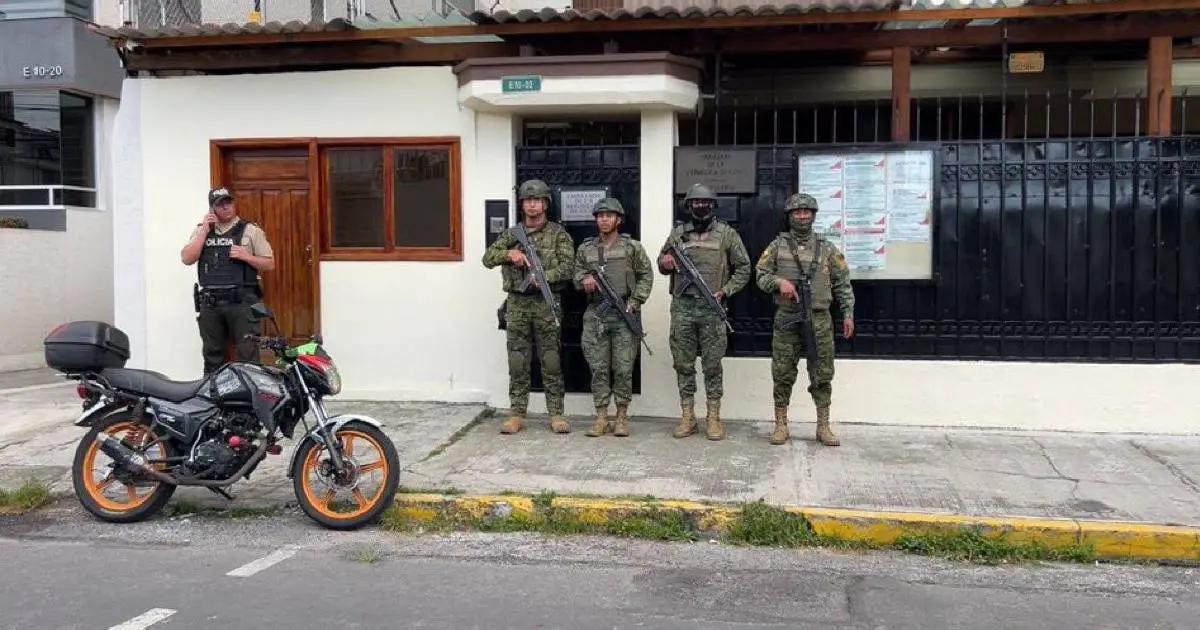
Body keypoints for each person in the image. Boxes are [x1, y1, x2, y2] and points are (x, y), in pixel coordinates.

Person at [754, 192, 855, 446]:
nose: (801, 216)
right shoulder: (777, 246)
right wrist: (779, 283)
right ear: (789, 216)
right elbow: (760, 275)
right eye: (796, 212)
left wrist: (848, 313)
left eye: (806, 212)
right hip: (787, 318)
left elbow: (843, 282)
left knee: (822, 374)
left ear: (813, 215)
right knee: (782, 372)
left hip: (819, 320)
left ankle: (823, 426)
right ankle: (780, 424)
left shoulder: (827, 248)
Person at [657, 183, 751, 441]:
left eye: (705, 203)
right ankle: (688, 417)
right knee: (683, 364)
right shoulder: (678, 234)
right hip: (683, 308)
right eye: (695, 203)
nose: (700, 207)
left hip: (713, 308)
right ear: (689, 206)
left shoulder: (726, 234)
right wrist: (665, 262)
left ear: (713, 206)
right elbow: (662, 263)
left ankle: (713, 418)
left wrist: (726, 290)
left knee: (712, 365)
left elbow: (744, 268)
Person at [482, 179, 576, 435]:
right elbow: (487, 258)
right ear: (522, 204)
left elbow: (569, 268)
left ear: (546, 203)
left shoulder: (558, 234)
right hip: (517, 304)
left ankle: (556, 414)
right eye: (528, 200)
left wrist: (544, 276)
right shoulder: (512, 234)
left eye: (538, 200)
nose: (533, 205)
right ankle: (517, 413)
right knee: (517, 359)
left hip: (546, 303)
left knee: (551, 360)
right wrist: (508, 254)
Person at [573, 197, 654, 438]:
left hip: (624, 314)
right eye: (600, 216)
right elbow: (576, 276)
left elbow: (646, 276)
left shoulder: (632, 248)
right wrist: (583, 282)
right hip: (596, 316)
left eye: (609, 215)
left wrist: (636, 301)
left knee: (623, 368)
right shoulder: (586, 248)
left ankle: (621, 416)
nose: (604, 219)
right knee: (598, 368)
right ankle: (601, 416)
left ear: (618, 219)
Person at [180, 187, 276, 374]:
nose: (226, 207)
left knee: (248, 355)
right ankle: (213, 399)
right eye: (220, 204)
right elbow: (187, 258)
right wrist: (204, 231)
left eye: (228, 202)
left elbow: (269, 264)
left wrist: (246, 256)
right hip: (211, 304)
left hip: (242, 302)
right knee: (212, 355)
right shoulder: (202, 231)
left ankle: (248, 399)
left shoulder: (250, 230)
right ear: (212, 209)